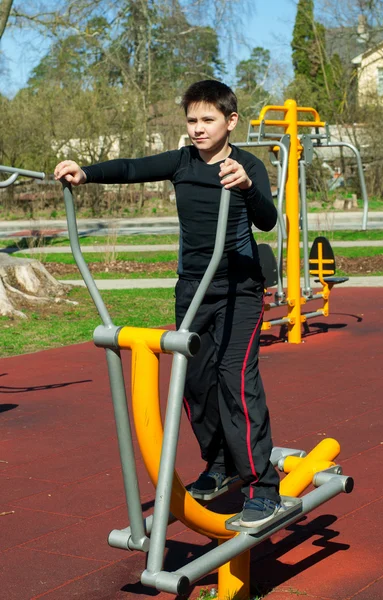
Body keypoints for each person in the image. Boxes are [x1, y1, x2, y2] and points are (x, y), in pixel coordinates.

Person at [54, 80, 281, 528]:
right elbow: (132, 167)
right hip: (193, 288)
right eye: (192, 121)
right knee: (194, 382)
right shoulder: (182, 162)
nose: (198, 129)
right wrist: (85, 172)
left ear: (231, 121)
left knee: (235, 381)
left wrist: (249, 186)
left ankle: (262, 488)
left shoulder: (246, 164)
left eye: (207, 120)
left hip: (240, 290)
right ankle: (219, 466)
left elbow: (268, 221)